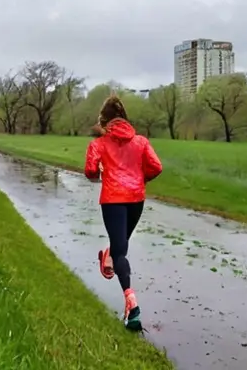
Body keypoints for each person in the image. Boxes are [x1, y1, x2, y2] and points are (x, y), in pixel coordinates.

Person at [84, 95, 163, 331]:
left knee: (120, 252)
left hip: (112, 199)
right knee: (121, 246)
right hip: (136, 198)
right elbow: (156, 167)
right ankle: (108, 256)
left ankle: (132, 304)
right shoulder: (141, 142)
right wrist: (141, 179)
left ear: (104, 120)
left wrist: (99, 173)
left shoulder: (98, 144)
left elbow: (89, 171)